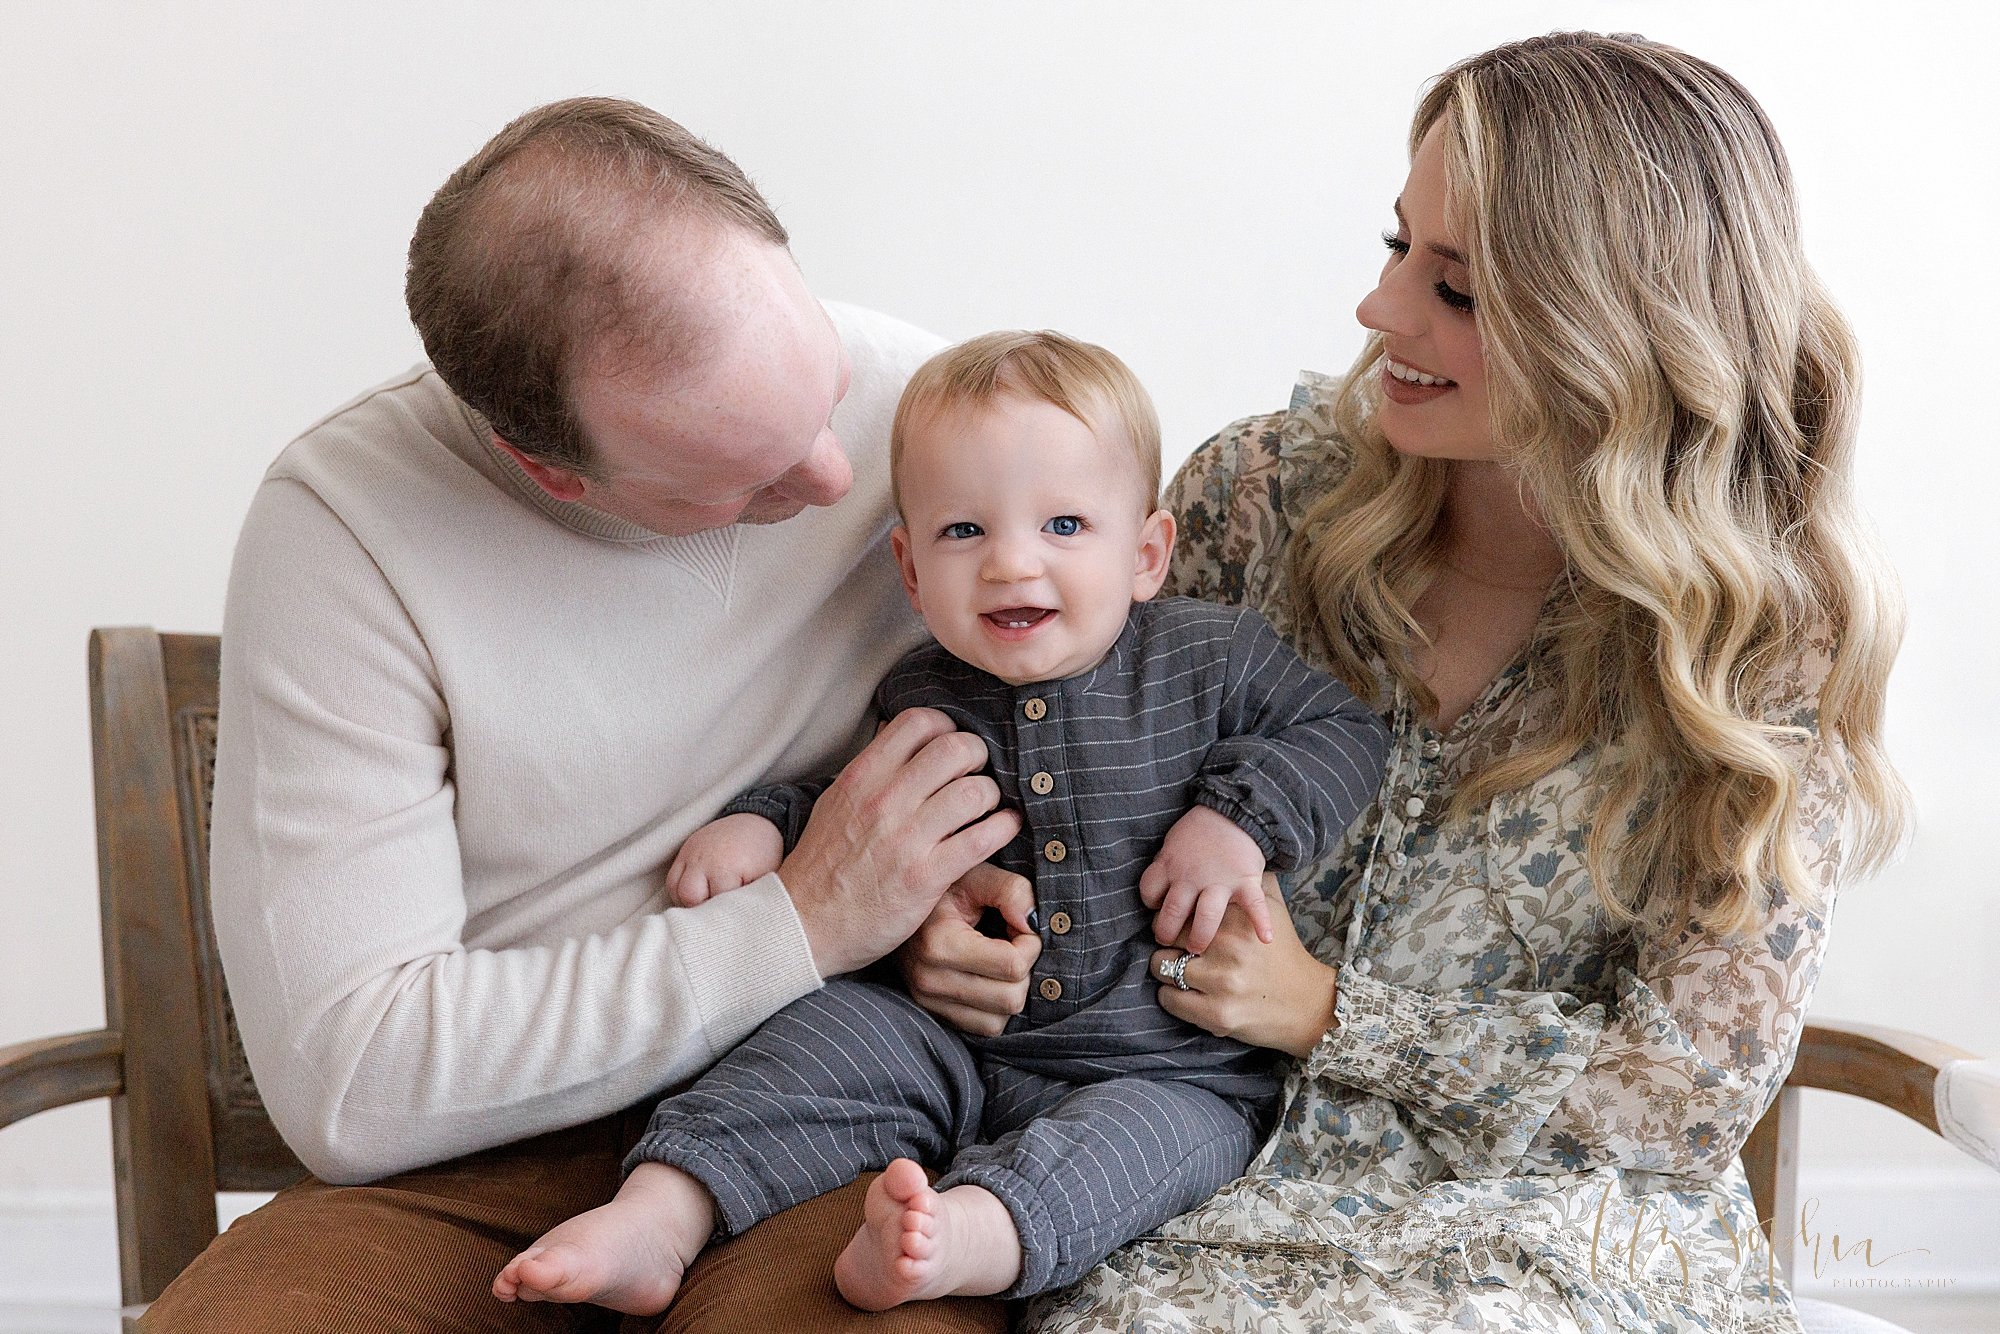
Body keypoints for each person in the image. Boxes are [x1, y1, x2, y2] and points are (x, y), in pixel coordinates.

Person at [895, 33, 1907, 1334]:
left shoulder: (1759, 647)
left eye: (1461, 290)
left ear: (1615, 331)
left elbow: (1685, 1097)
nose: (1382, 314)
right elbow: (1040, 743)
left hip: (1555, 1240)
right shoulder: (1254, 497)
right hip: (1203, 1190)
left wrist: (1334, 1009)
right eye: (1397, 248)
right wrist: (964, 910)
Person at [144, 97, 1031, 1333]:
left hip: (846, 1100)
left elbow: (1126, 720)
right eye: (747, 478)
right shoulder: (346, 524)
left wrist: (969, 917)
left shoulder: (932, 412)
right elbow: (350, 1080)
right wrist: (803, 920)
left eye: (822, 388)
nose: (837, 477)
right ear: (548, 468)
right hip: (485, 1158)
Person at [489, 330, 1390, 1317]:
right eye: (964, 531)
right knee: (818, 1036)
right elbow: (845, 798)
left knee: (1165, 1142)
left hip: (1159, 1060)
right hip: (944, 1036)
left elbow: (1341, 730)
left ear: (1144, 554)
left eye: (1061, 524)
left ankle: (964, 1236)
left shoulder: (1206, 658)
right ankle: (659, 1212)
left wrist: (1237, 822)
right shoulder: (921, 691)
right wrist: (759, 824)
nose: (1011, 562)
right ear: (910, 572)